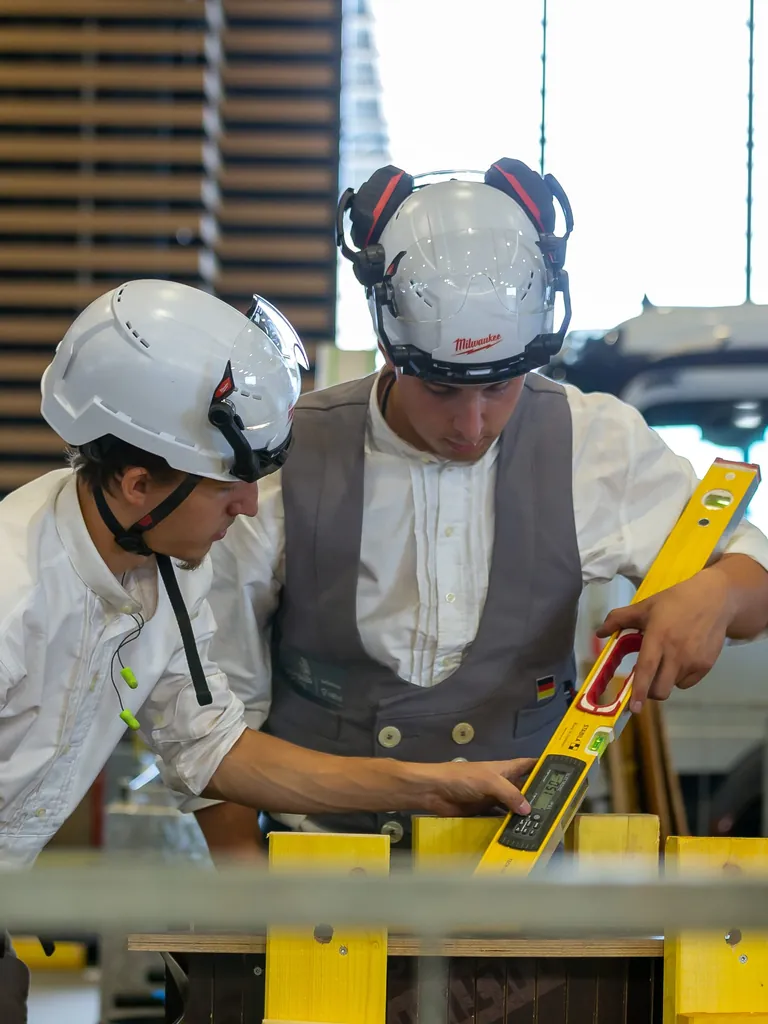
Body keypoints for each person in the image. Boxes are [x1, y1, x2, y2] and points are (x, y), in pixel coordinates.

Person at [193, 158, 768, 858]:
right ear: (387, 343)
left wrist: (717, 593)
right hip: (320, 871)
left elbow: (753, 574)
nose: (472, 424)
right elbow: (215, 704)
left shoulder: (593, 444)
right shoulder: (287, 459)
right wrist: (244, 886)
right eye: (440, 389)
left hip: (522, 877)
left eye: (501, 386)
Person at [0, 278, 536, 1021]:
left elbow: (217, 750)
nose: (251, 505)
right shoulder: (14, 594)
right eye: (230, 485)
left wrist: (429, 787)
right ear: (135, 484)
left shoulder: (163, 576)